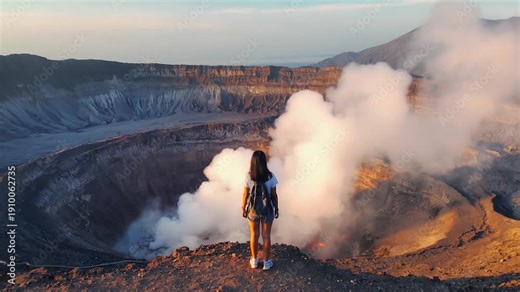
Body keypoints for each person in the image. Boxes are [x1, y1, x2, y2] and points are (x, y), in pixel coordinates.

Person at [242, 150, 279, 270]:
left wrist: (243, 208)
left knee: (254, 235)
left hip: (253, 211)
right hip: (267, 211)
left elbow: (245, 194)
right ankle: (266, 263)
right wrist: (276, 208)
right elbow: (274, 195)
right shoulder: (271, 176)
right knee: (266, 236)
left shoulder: (248, 176)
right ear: (264, 162)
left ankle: (254, 260)